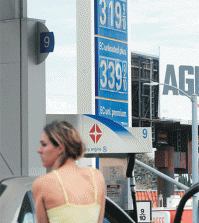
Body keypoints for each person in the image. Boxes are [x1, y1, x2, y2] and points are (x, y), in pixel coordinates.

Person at [32, 120, 106, 223]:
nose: (39, 150)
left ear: (60, 148)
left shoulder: (43, 183)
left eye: (44, 145)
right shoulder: (96, 177)